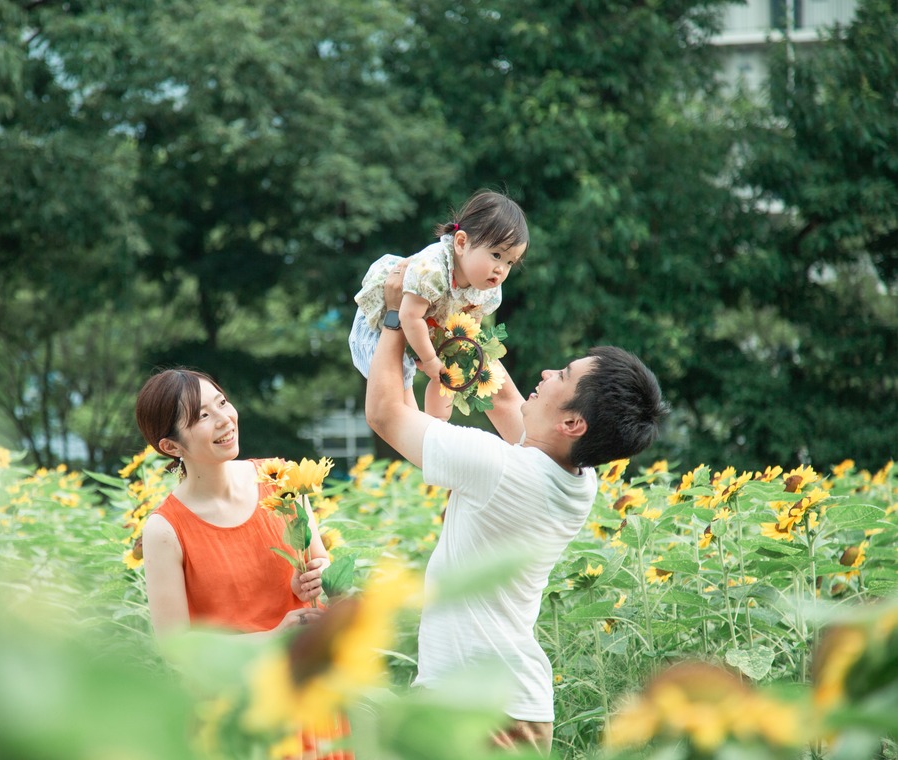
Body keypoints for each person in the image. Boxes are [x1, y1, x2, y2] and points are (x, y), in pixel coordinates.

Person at [364, 267, 668, 753]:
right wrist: (455, 317)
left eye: (562, 376)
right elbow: (503, 395)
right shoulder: (577, 478)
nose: (545, 374)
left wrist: (398, 319)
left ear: (572, 422)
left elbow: (384, 414)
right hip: (510, 706)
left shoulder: (499, 469)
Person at [135, 368, 331, 638]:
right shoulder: (166, 529)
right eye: (203, 416)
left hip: (313, 664)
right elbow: (176, 646)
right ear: (171, 447)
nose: (224, 419)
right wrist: (274, 637)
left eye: (222, 403)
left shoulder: (280, 478)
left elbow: (320, 561)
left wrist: (316, 576)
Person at [350, 190, 528, 421]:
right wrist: (430, 359)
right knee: (399, 391)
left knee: (449, 372)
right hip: (384, 324)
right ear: (462, 242)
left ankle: (437, 426)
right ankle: (418, 434)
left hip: (425, 325)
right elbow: (409, 316)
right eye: (496, 255)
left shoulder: (488, 288)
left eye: (510, 262)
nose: (501, 269)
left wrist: (451, 355)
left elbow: (468, 325)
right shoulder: (432, 269)